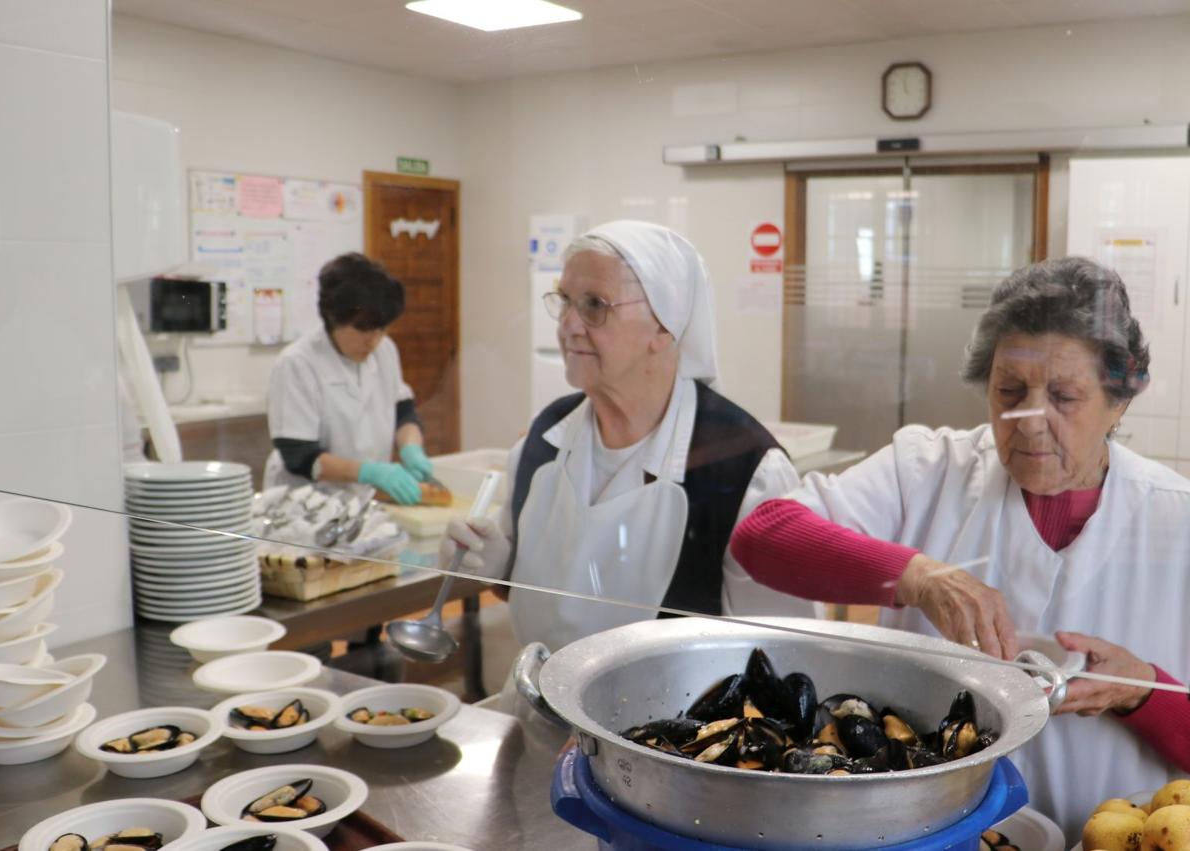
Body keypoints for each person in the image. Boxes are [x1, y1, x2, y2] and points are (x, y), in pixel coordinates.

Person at [729, 256, 1190, 839]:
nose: (1027, 422)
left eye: (1064, 397)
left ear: (1120, 400)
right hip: (932, 832)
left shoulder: (1174, 519)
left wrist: (1140, 691)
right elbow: (761, 535)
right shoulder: (927, 470)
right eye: (1010, 390)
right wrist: (916, 577)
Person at [441, 220, 816, 655]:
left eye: (594, 305)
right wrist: (496, 563)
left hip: (673, 722)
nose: (568, 327)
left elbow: (784, 653)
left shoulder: (747, 472)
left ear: (664, 325)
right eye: (564, 302)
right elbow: (531, 590)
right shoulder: (543, 441)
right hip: (537, 712)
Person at [263, 252, 431, 503]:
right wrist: (369, 472)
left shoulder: (385, 351)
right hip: (304, 504)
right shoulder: (297, 364)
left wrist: (411, 448)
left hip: (360, 502)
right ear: (333, 318)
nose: (373, 340)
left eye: (382, 328)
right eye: (362, 328)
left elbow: (402, 410)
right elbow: (299, 456)